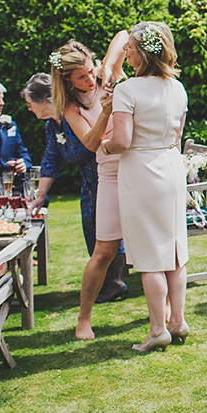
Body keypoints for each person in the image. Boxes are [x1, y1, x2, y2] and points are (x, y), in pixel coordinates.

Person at [105, 22, 189, 353]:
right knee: (174, 250)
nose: (125, 52)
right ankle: (178, 321)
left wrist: (105, 144)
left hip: (141, 172)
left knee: (150, 257)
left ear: (141, 52)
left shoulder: (128, 90)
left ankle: (157, 330)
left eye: (129, 47)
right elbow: (178, 137)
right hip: (171, 168)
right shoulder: (178, 87)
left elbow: (123, 141)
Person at [21, 73, 127, 303]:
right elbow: (51, 159)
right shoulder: (53, 124)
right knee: (91, 227)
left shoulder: (75, 114)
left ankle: (116, 282)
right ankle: (108, 281)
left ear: (45, 99)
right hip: (88, 181)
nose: (29, 109)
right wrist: (40, 195)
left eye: (30, 103)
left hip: (105, 174)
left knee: (107, 229)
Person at [49, 41, 126, 339]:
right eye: (81, 77)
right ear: (67, 80)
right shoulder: (70, 107)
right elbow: (91, 144)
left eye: (89, 69)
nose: (89, 78)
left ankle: (166, 314)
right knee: (103, 250)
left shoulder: (105, 74)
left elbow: (123, 36)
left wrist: (106, 67)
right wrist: (106, 112)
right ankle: (84, 319)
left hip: (135, 167)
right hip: (106, 175)